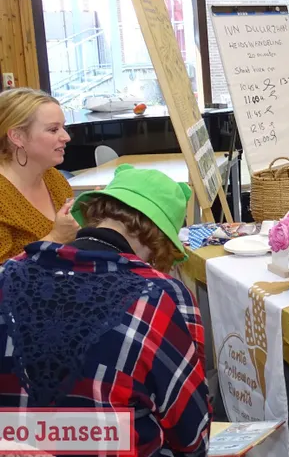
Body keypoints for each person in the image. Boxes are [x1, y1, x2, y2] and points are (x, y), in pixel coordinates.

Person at [0, 164, 211, 456]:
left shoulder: (7, 276)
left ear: (95, 214)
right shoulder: (158, 296)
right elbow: (191, 436)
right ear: (159, 240)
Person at [0, 88, 78, 262]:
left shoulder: (54, 178)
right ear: (17, 136)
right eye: (53, 130)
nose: (66, 137)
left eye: (63, 127)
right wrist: (56, 238)